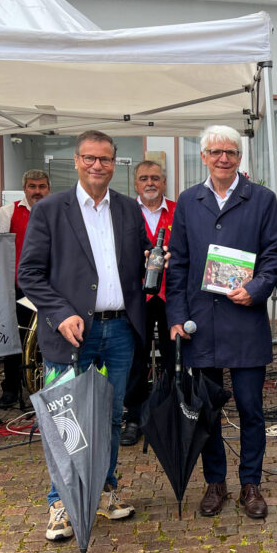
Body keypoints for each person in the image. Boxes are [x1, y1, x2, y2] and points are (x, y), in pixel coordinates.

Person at [19, 130, 151, 541]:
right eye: (90, 158)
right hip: (72, 334)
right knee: (66, 420)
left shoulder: (129, 210)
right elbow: (29, 274)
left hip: (120, 331)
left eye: (106, 159)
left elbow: (143, 263)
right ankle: (61, 502)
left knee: (111, 417)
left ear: (115, 164)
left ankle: (104, 489)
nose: (98, 166)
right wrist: (60, 314)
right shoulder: (50, 210)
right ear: (76, 161)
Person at [166, 125, 277, 520]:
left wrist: (259, 287)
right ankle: (215, 483)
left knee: (251, 409)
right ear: (204, 157)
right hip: (201, 323)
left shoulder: (262, 199)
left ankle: (250, 483)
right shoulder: (188, 200)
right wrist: (177, 316)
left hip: (245, 318)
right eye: (215, 152)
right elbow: (177, 262)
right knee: (207, 410)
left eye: (230, 153)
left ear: (239, 157)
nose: (223, 159)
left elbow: (273, 255)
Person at [121, 160, 177, 446]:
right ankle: (134, 418)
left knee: (172, 358)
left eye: (155, 177)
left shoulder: (179, 210)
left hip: (171, 295)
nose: (150, 182)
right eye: (144, 178)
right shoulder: (124, 212)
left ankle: (167, 415)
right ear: (136, 184)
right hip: (136, 297)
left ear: (164, 182)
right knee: (136, 358)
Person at [0, 168, 51, 408]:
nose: (37, 191)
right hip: (19, 288)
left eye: (42, 186)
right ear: (24, 188)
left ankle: (46, 386)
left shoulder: (59, 210)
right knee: (15, 340)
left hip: (51, 288)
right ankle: (11, 388)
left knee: (48, 341)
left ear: (48, 188)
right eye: (32, 186)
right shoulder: (7, 212)